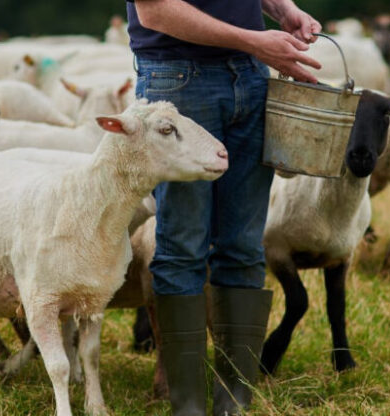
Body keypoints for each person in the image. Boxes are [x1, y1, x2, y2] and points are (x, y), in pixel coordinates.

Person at [125, 1, 322, 415]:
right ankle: (190, 405)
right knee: (182, 248)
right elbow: (156, 11)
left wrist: (284, 10)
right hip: (177, 81)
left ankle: (234, 401)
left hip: (250, 77)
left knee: (244, 247)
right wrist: (254, 40)